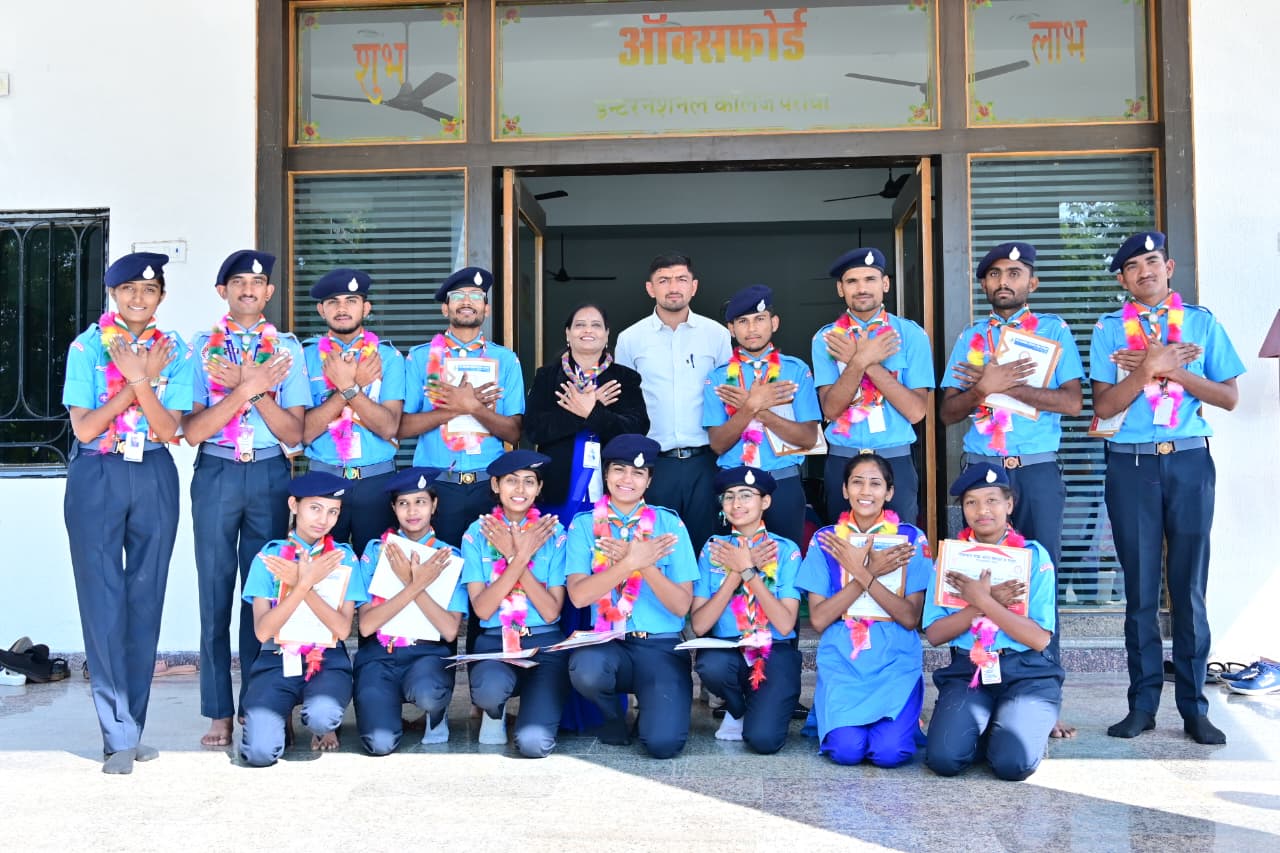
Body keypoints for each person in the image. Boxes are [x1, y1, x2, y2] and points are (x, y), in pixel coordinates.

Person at [1089, 231, 1243, 745]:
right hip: (1131, 464)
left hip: (1189, 460)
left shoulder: (1201, 323)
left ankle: (1195, 708)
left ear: (1169, 267)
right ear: (1122, 279)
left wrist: (1172, 370)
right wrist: (1146, 371)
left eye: (1152, 261)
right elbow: (1104, 407)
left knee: (1188, 588)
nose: (1145, 272)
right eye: (1133, 266)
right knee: (1138, 590)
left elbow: (1228, 397)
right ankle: (1142, 705)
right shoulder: (1109, 330)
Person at [938, 241, 1084, 740]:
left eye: (1015, 273)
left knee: (1040, 580)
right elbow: (948, 412)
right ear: (984, 284)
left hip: (1036, 472)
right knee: (976, 576)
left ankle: (1044, 697)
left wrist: (1006, 386)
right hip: (983, 469)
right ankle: (972, 689)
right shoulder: (971, 338)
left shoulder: (1054, 332)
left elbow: (1071, 402)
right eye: (995, 274)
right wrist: (981, 389)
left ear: (1032, 283)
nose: (1005, 281)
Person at [62, 252, 193, 774]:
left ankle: (131, 727)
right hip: (97, 471)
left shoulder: (174, 349)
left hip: (154, 469)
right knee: (102, 598)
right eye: (129, 289)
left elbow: (168, 429)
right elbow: (85, 427)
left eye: (149, 290)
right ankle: (115, 733)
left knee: (146, 595)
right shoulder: (86, 346)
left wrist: (141, 381)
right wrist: (136, 381)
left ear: (161, 297)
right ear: (113, 294)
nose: (139, 298)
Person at [183, 249, 310, 749]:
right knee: (215, 593)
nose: (249, 290)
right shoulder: (201, 349)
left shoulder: (287, 350)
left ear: (269, 292)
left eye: (257, 283)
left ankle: (263, 702)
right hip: (216, 470)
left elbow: (294, 434)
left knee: (264, 593)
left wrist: (248, 388)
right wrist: (247, 389)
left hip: (269, 473)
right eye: (238, 282)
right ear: (223, 292)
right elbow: (193, 430)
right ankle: (218, 711)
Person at [923, 464, 1061, 782]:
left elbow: (1040, 639)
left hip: (1026, 673)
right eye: (971, 502)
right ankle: (992, 726)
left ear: (1009, 504)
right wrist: (979, 603)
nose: (982, 510)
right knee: (944, 759)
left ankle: (1022, 724)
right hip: (969, 671)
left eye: (992, 500)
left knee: (1013, 764)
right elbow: (935, 634)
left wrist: (986, 602)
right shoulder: (950, 561)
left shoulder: (1034, 557)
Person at [565, 434, 699, 759]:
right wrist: (628, 563)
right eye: (619, 470)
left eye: (638, 473)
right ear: (606, 474)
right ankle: (612, 716)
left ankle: (651, 712)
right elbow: (579, 597)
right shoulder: (584, 526)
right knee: (585, 669)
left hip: (660, 647)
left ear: (649, 480)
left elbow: (681, 605)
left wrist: (645, 564)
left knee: (663, 746)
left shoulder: (669, 524)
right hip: (608, 643)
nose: (627, 479)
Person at [794, 454, 928, 768]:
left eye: (875, 483)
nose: (866, 491)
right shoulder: (826, 540)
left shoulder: (910, 539)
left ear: (889, 492)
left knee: (889, 753)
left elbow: (910, 618)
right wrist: (864, 573)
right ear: (845, 489)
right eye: (857, 482)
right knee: (846, 751)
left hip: (894, 661)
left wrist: (863, 572)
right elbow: (819, 619)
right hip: (844, 659)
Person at [238, 472, 369, 767]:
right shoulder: (270, 558)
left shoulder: (343, 558)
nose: (323, 519)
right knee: (259, 753)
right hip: (276, 659)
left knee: (323, 717)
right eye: (315, 508)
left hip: (327, 658)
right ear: (293, 505)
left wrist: (302, 583)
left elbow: (341, 629)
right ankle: (279, 713)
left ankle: (323, 725)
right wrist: (302, 583)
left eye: (333, 511)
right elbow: (262, 632)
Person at [400, 266, 524, 548]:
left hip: (488, 485)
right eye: (458, 296)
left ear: (486, 309)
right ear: (445, 308)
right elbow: (402, 426)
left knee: (488, 565)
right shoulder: (420, 358)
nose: (467, 302)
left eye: (476, 296)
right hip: (435, 485)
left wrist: (474, 407)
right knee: (438, 565)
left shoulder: (506, 360)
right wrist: (454, 408)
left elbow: (514, 433)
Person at [616, 253, 732, 552]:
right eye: (664, 280)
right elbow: (624, 406)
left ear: (694, 286)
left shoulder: (717, 335)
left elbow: (730, 397)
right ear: (650, 288)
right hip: (654, 463)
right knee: (656, 549)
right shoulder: (630, 339)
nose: (673, 287)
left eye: (681, 279)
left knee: (708, 548)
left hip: (706, 460)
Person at [811, 248, 934, 524]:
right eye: (852, 281)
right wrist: (858, 363)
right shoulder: (827, 339)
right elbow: (830, 409)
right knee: (842, 544)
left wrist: (865, 361)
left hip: (895, 460)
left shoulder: (911, 335)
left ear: (885, 284)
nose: (862, 288)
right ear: (840, 289)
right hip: (844, 459)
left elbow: (916, 412)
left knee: (900, 543)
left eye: (870, 279)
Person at [461, 450, 570, 757]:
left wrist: (513, 556)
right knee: (489, 690)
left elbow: (550, 611)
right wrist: (519, 557)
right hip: (495, 641)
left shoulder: (554, 533)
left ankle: (533, 709)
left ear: (539, 488)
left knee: (534, 744)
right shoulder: (477, 533)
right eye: (511, 481)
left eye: (529, 481)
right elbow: (482, 609)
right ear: (495, 485)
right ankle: (494, 711)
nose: (520, 489)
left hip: (544, 644)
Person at [352, 467, 468, 754]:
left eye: (420, 502)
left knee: (429, 693)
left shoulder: (448, 557)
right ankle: (387, 711)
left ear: (434, 505)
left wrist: (416, 583)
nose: (412, 511)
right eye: (403, 503)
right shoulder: (376, 551)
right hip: (380, 655)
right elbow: (366, 626)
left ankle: (436, 714)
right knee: (378, 744)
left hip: (427, 654)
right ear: (393, 508)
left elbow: (449, 630)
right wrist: (414, 584)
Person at [690, 466, 802, 754]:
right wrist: (735, 573)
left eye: (746, 495)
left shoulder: (785, 550)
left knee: (764, 741)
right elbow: (699, 625)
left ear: (765, 502)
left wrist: (750, 572)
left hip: (773, 648)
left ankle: (761, 707)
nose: (736, 504)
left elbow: (786, 624)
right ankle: (737, 708)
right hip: (728, 648)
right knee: (710, 665)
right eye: (729, 497)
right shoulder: (713, 550)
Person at [704, 285, 821, 548]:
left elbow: (808, 438)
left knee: (787, 558)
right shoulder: (718, 378)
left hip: (783, 482)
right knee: (734, 561)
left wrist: (760, 410)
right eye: (742, 321)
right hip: (735, 487)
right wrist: (749, 407)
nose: (752, 328)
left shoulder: (795, 371)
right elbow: (718, 444)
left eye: (759, 319)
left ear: (774, 323)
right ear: (731, 329)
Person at [301, 267, 406, 548]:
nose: (342, 308)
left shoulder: (389, 357)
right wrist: (350, 387)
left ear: (366, 308)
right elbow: (304, 432)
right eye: (333, 302)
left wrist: (349, 387)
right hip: (323, 480)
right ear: (321, 310)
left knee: (376, 565)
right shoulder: (305, 356)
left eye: (351, 301)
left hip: (376, 481)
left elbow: (388, 427)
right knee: (322, 567)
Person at [524, 303, 648, 517]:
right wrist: (581, 412)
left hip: (613, 490)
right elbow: (534, 430)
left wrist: (592, 412)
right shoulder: (546, 376)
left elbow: (637, 429)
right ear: (568, 333)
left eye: (596, 325)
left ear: (607, 334)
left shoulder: (625, 378)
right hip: (557, 488)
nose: (588, 330)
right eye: (580, 325)